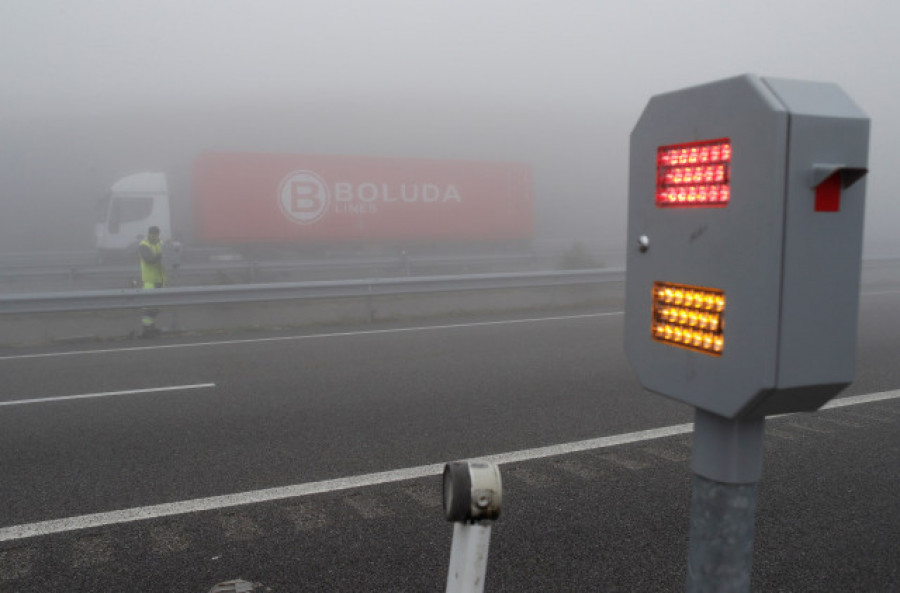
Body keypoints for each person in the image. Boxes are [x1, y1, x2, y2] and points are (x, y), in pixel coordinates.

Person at [138, 226, 167, 337]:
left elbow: (167, 254)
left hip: (160, 279)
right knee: (149, 307)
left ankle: (151, 327)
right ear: (149, 234)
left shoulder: (161, 243)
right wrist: (162, 254)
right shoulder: (144, 245)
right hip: (149, 280)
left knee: (156, 307)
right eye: (153, 234)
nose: (155, 236)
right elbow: (149, 259)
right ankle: (146, 329)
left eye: (157, 234)